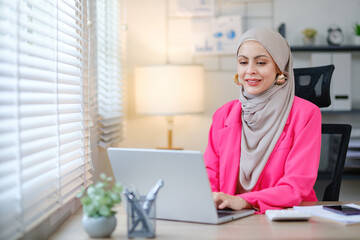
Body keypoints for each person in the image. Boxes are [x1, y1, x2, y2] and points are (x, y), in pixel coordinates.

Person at [204, 28, 321, 214]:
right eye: (243, 62)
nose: (250, 71)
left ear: (279, 67)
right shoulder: (223, 115)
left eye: (261, 62)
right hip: (232, 219)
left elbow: (295, 187)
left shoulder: (306, 114)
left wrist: (242, 201)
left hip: (288, 217)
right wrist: (208, 200)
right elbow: (209, 177)